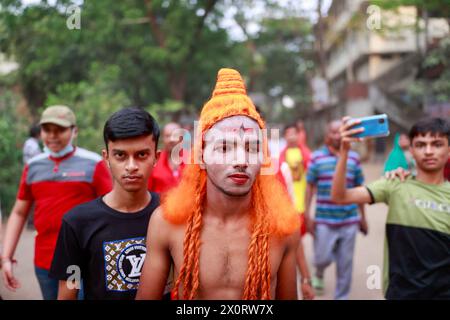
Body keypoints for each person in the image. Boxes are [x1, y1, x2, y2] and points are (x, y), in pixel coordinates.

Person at [136, 68, 300, 300]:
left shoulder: (282, 227)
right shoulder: (166, 223)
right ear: (201, 155)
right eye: (224, 148)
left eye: (252, 148)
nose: (241, 161)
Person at [1, 105, 112, 300]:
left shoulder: (93, 163)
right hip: (44, 260)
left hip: (80, 261)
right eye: (47, 130)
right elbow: (19, 212)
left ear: (74, 131)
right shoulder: (33, 166)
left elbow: (112, 209)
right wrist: (6, 257)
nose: (52, 135)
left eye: (60, 130)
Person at [331, 117, 450, 299]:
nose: (428, 151)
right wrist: (344, 152)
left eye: (437, 144)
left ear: (448, 150)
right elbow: (340, 197)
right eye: (420, 145)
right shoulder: (394, 184)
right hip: (400, 294)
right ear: (410, 150)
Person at [49, 108, 161, 300]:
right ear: (106, 157)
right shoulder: (77, 222)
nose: (131, 166)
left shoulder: (174, 212)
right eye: (120, 155)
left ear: (156, 157)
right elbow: (68, 292)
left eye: (142, 155)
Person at [305, 120, 368, 299]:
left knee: (345, 264)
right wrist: (307, 214)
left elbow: (360, 188)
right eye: (334, 132)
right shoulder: (317, 157)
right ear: (327, 135)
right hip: (324, 220)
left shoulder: (354, 158)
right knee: (322, 258)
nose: (338, 135)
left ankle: (342, 296)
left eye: (341, 132)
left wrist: (363, 217)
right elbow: (310, 186)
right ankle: (319, 271)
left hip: (349, 220)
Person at [148, 122, 184, 193]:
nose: (171, 140)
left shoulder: (192, 161)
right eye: (167, 136)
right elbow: (148, 191)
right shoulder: (154, 161)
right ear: (163, 139)